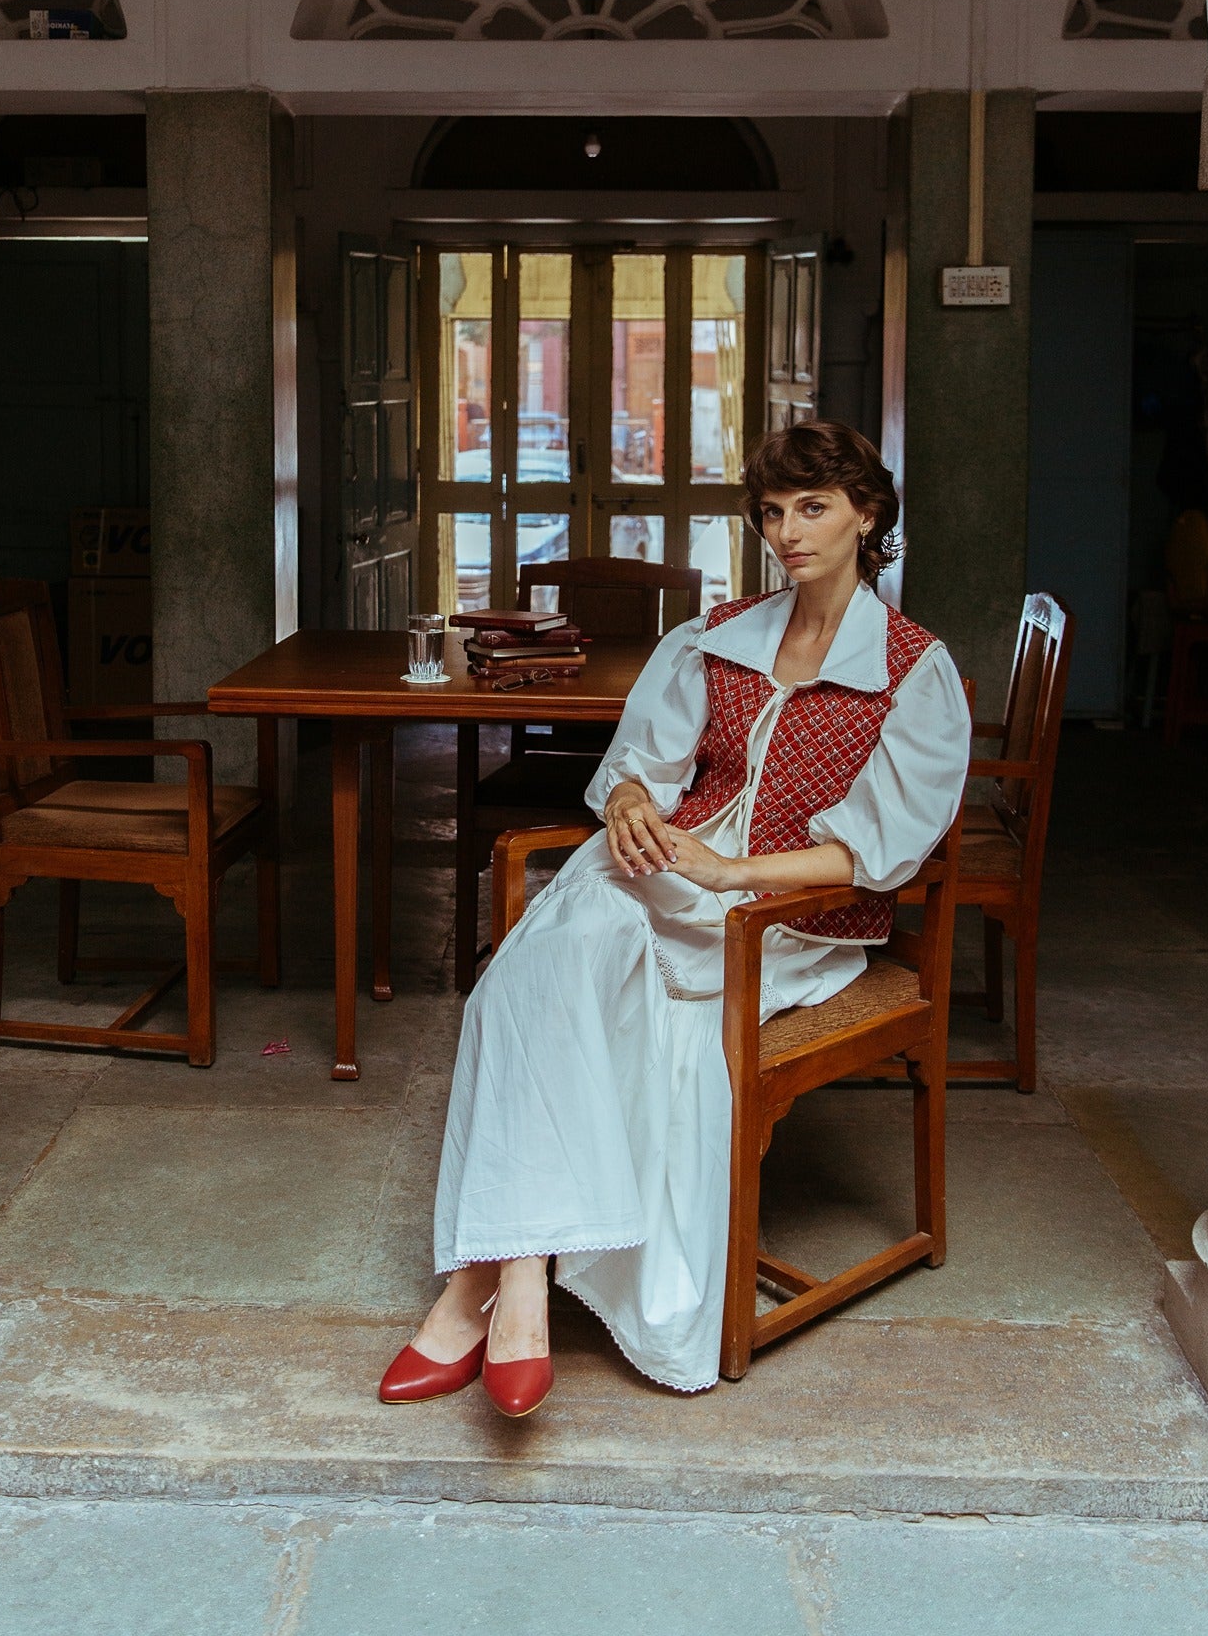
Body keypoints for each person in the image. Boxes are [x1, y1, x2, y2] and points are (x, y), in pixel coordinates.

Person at [379, 420, 971, 1412]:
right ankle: (519, 1277)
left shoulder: (913, 671)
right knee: (531, 970)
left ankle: (473, 1288)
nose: (787, 530)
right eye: (772, 510)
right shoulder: (713, 637)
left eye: (813, 506)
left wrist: (732, 869)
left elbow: (879, 850)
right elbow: (636, 774)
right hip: (662, 874)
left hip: (789, 914)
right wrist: (626, 807)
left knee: (658, 1024)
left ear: (867, 515)